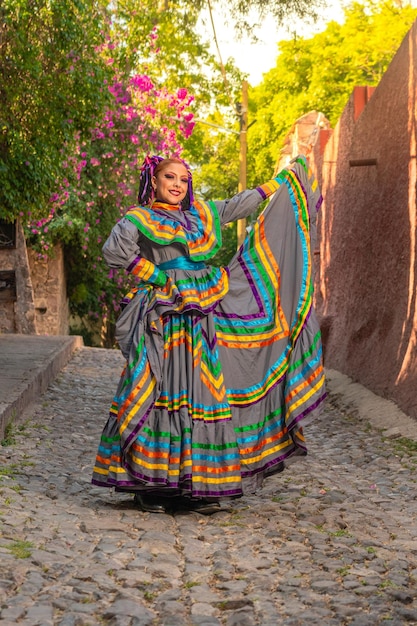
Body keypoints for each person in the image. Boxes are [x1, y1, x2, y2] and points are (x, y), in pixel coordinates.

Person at [92, 154, 326, 514]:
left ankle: (197, 484)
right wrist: (159, 278)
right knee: (160, 386)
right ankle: (153, 487)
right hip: (166, 311)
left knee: (202, 388)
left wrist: (280, 181)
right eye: (170, 177)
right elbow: (114, 252)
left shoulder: (201, 214)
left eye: (183, 180)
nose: (177, 185)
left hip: (202, 310)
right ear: (153, 181)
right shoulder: (140, 218)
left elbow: (237, 205)